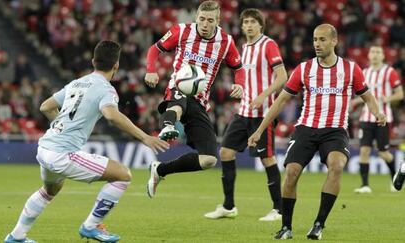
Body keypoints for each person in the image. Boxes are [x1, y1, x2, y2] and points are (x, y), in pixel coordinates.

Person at [4, 40, 169, 243]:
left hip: (45, 146)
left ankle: (16, 236)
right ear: (116, 65)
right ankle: (90, 226)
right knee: (123, 175)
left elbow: (45, 106)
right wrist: (145, 137)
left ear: (93, 61)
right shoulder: (106, 90)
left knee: (50, 190)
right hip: (62, 153)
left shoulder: (76, 83)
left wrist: (61, 127)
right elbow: (110, 115)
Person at [248, 24, 386, 240]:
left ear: (334, 41)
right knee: (292, 172)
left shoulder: (351, 69)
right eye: (314, 40)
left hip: (335, 130)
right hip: (306, 128)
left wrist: (377, 113)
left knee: (337, 166)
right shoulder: (304, 69)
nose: (317, 44)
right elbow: (281, 100)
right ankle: (286, 227)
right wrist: (259, 130)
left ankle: (319, 224)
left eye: (322, 40)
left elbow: (367, 96)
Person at [144, 0, 245, 198]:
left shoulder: (226, 41)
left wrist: (240, 84)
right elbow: (154, 49)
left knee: (208, 160)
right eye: (202, 19)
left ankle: (160, 170)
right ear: (196, 17)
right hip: (178, 87)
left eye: (210, 20)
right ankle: (168, 126)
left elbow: (238, 68)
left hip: (200, 101)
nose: (205, 24)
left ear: (217, 21)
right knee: (179, 102)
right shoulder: (181, 31)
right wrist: (151, 70)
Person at [204, 8, 287, 221]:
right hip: (244, 112)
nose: (249, 25)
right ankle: (229, 206)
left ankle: (278, 209)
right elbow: (246, 76)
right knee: (225, 152)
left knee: (267, 158)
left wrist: (263, 95)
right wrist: (240, 88)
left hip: (264, 113)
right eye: (246, 22)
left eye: (253, 22)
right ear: (242, 26)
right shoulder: (244, 48)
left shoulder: (268, 45)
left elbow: (282, 77)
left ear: (261, 25)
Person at [351, 45, 403, 193]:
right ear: (368, 55)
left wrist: (388, 98)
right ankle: (365, 185)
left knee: (383, 153)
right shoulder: (364, 72)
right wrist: (355, 102)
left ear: (383, 56)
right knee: (364, 151)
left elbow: (400, 94)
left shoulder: (389, 72)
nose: (375, 55)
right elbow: (365, 96)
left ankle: (395, 179)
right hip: (366, 118)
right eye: (372, 52)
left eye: (378, 52)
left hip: (383, 119)